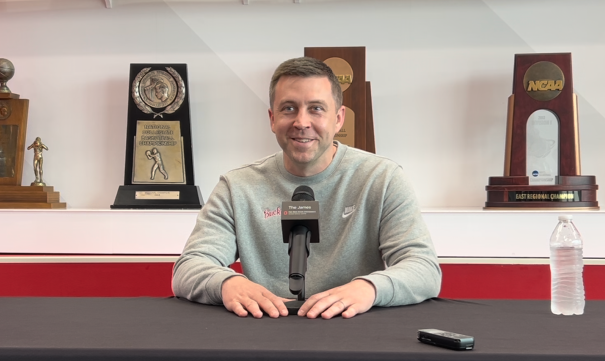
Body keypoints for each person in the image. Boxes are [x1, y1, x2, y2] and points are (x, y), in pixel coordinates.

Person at [172, 57, 441, 319]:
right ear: (272, 118)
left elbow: (424, 269)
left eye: (316, 108)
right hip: (265, 329)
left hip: (353, 330)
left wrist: (368, 288)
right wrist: (227, 284)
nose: (302, 122)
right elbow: (189, 268)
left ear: (338, 119)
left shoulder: (382, 178)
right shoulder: (237, 187)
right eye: (289, 108)